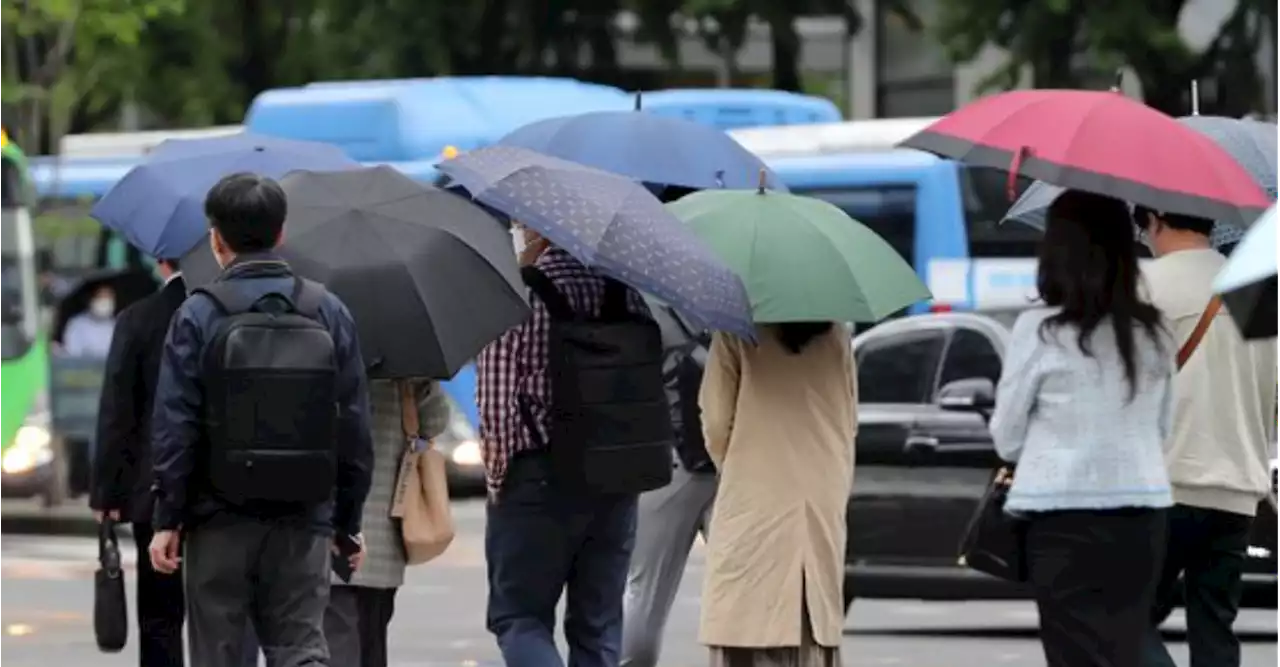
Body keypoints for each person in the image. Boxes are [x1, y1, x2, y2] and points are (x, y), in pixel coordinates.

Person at [149, 172, 373, 667]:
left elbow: (176, 424)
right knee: (300, 648)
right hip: (304, 515)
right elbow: (354, 424)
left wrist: (169, 517)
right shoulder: (327, 311)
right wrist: (348, 521)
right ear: (281, 233)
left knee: (218, 651)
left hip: (217, 516)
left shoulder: (198, 314)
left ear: (216, 239)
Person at [990, 191, 1175, 667]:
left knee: (1073, 650)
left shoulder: (1038, 329)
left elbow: (1007, 437)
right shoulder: (1154, 332)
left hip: (1060, 516)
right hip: (1143, 512)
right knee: (1125, 646)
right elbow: (1162, 428)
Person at [477, 220, 670, 666]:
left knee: (519, 616)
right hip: (617, 475)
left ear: (535, 226)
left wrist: (498, 478)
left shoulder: (517, 293)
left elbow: (497, 401)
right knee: (598, 622)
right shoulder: (625, 292)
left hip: (538, 476)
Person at [1133, 205, 1277, 667]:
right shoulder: (1258, 288)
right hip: (1238, 490)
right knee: (1214, 626)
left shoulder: (1145, 287)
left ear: (1154, 217)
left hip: (1167, 482)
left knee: (1127, 621)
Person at [697, 320, 856, 667]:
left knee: (746, 615)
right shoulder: (837, 336)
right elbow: (848, 419)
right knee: (811, 611)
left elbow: (715, 422)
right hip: (820, 488)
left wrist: (739, 463)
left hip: (754, 489)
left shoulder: (735, 330)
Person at [90, 258, 187, 666]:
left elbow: (117, 412)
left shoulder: (140, 319)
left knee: (160, 616)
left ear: (162, 260)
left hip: (154, 486)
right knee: (225, 616)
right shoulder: (232, 313)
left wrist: (106, 493)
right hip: (228, 491)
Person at [324, 378, 450, 667]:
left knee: (332, 642)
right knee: (371, 644)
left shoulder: (323, 346)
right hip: (382, 533)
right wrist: (424, 380)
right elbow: (435, 421)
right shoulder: (404, 360)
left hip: (327, 526)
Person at [620, 303, 714, 667]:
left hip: (667, 465)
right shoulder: (730, 309)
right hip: (731, 465)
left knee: (644, 591)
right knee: (740, 592)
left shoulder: (642, 307)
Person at [63, 284, 117, 357]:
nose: (104, 302)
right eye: (101, 297)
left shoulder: (116, 325)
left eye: (108, 298)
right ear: (92, 300)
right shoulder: (77, 324)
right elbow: (72, 353)